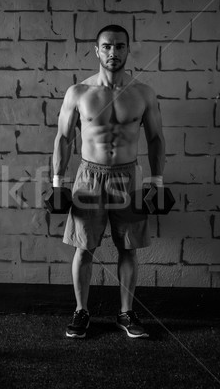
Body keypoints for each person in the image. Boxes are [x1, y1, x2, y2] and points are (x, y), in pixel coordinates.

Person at [52, 24, 165, 339]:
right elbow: (63, 138)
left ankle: (126, 313)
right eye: (107, 46)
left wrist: (156, 181)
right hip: (89, 177)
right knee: (83, 247)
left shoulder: (143, 93)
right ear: (96, 49)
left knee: (128, 248)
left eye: (119, 46)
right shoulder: (79, 93)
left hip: (128, 177)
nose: (113, 52)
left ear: (128, 50)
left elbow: (156, 138)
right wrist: (58, 182)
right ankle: (81, 311)